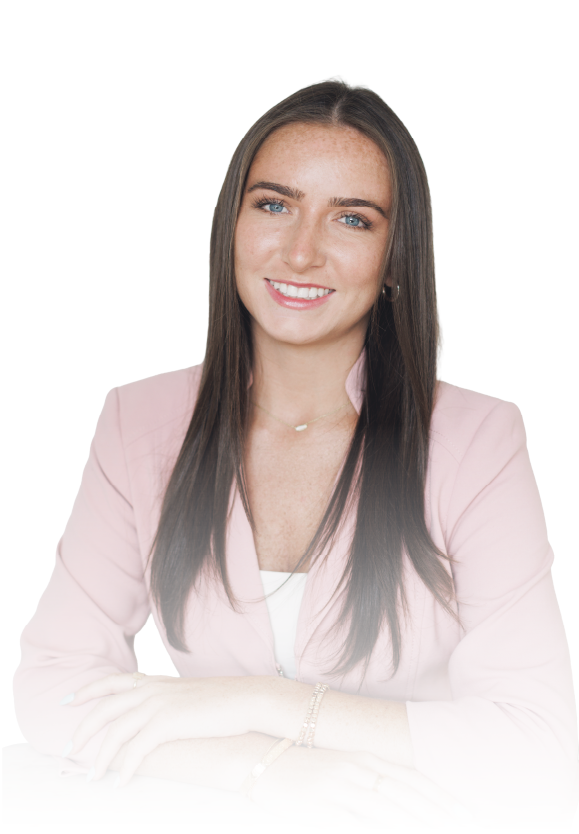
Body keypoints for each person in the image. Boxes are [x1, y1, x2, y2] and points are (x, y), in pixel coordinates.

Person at [13, 77, 579, 829]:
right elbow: (52, 687)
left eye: (351, 218)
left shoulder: (475, 440)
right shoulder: (138, 421)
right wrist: (260, 768)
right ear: (231, 226)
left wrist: (255, 703)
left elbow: (537, 741)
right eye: (273, 205)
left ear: (394, 255)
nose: (301, 250)